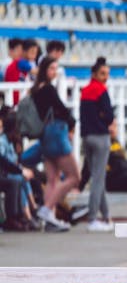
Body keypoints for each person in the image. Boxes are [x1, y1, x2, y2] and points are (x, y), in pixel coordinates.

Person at [29, 57, 78, 232]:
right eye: (51, 68)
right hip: (56, 133)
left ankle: (51, 220)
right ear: (44, 70)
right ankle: (47, 209)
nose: (54, 72)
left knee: (52, 179)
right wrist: (72, 123)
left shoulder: (35, 90)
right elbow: (62, 110)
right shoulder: (48, 89)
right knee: (74, 177)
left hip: (45, 136)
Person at [78, 57, 116, 231]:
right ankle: (93, 218)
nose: (105, 77)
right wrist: (104, 117)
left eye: (107, 74)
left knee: (96, 177)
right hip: (100, 137)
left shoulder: (85, 90)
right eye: (103, 73)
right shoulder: (101, 91)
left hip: (87, 137)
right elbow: (109, 116)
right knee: (98, 179)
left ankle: (106, 215)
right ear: (94, 74)